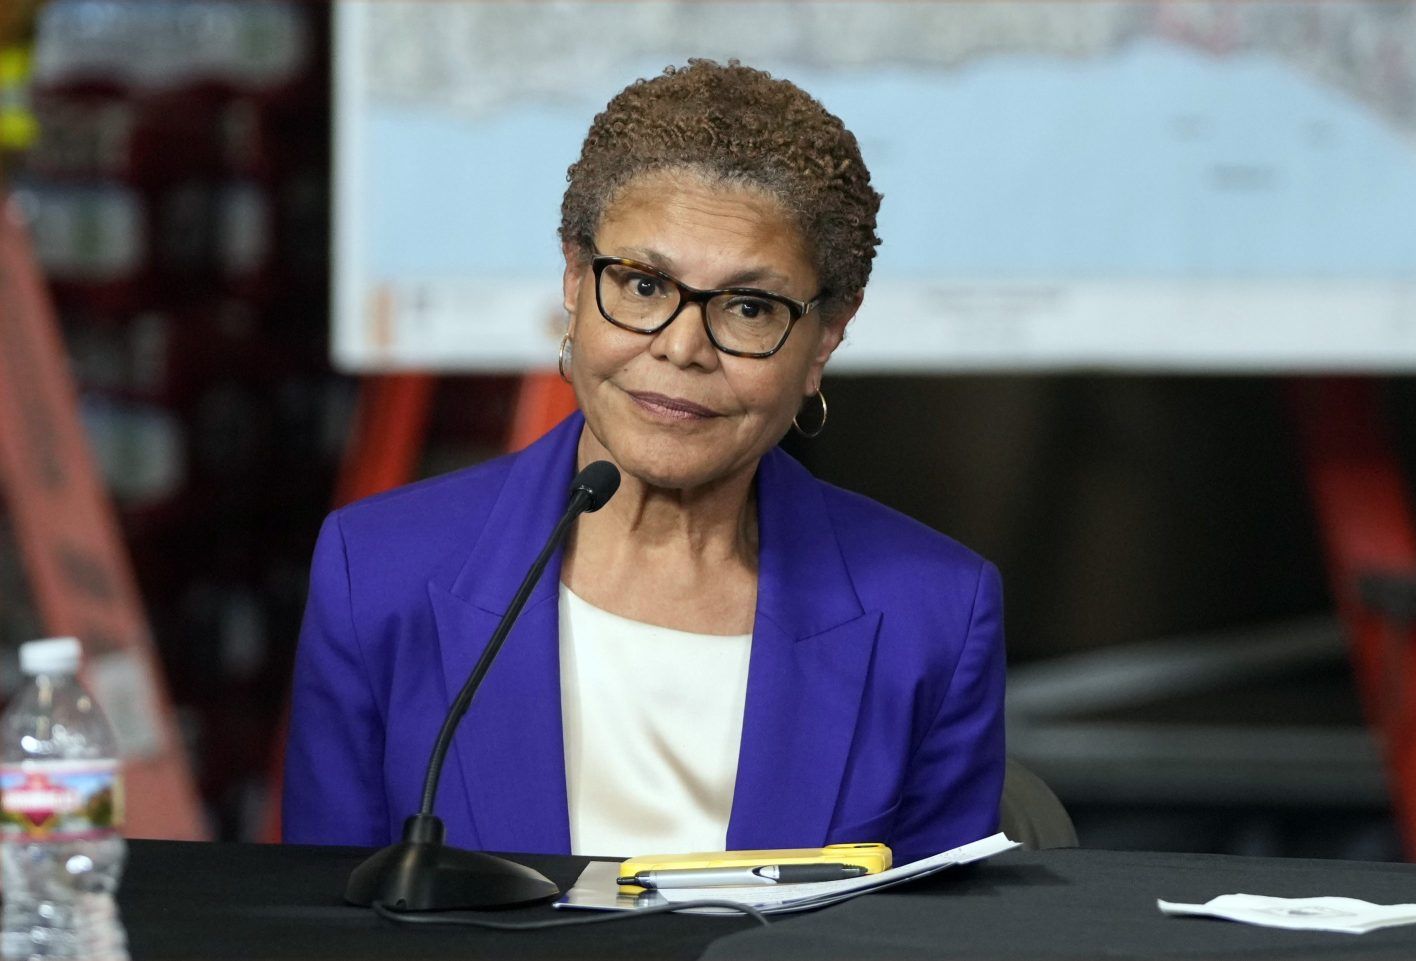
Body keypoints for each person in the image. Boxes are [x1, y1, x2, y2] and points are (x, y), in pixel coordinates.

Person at [283, 59, 1004, 866]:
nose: (683, 347)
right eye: (642, 285)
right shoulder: (376, 574)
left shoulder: (933, 615)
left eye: (750, 306)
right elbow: (322, 927)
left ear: (826, 336)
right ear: (572, 277)